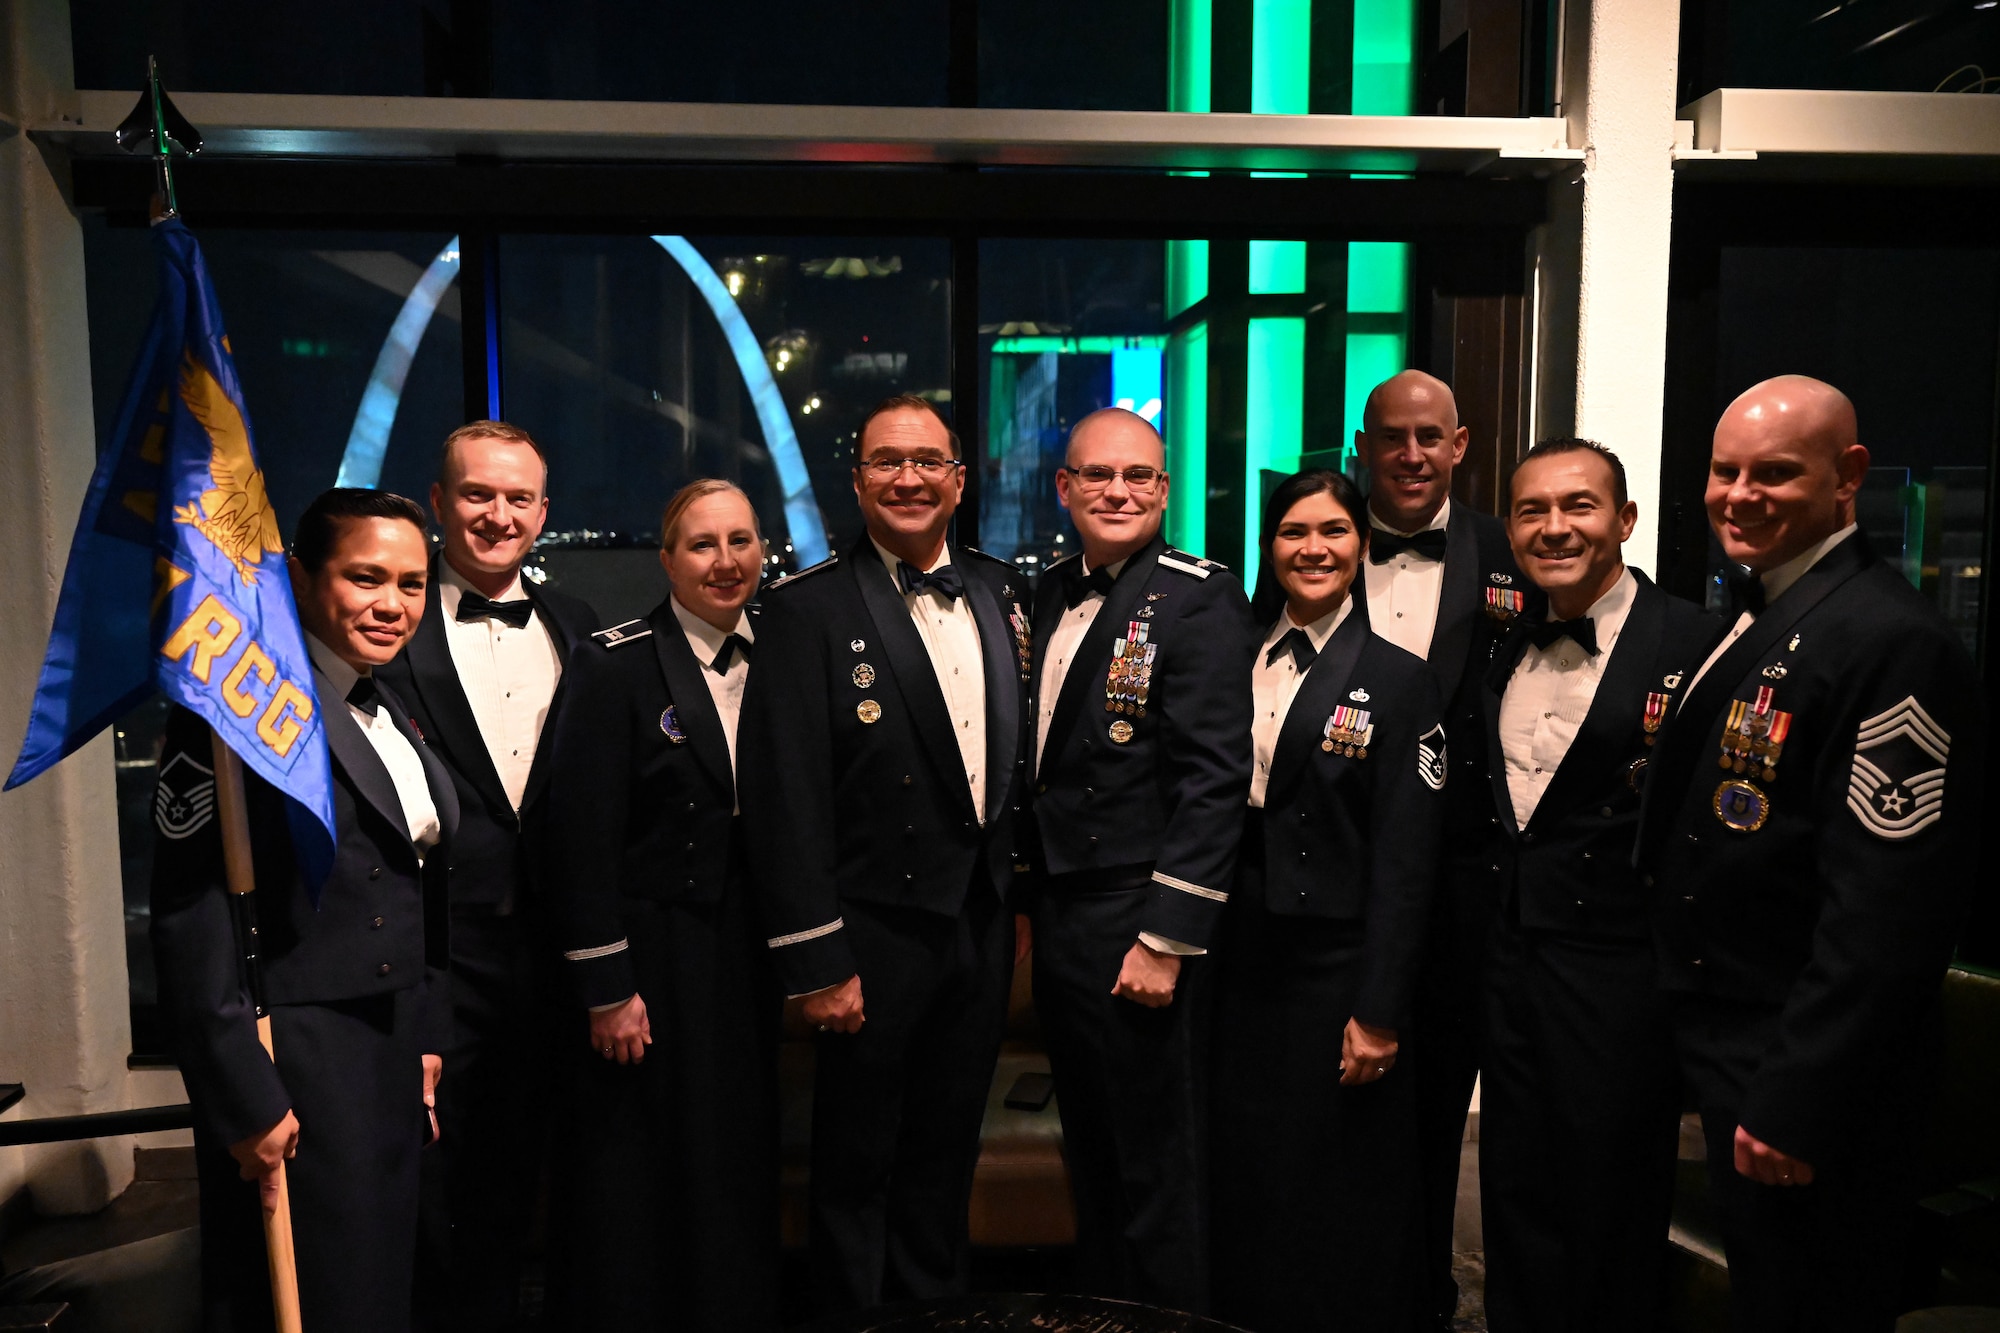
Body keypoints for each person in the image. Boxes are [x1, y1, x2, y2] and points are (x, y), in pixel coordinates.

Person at [1637, 376, 1985, 1331]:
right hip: (1737, 1041)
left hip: (1804, 1074)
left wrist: (1800, 1095)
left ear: (1850, 478)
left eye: (1775, 474)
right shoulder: (1774, 607)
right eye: (1725, 471)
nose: (1740, 495)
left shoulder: (1891, 640)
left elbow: (1889, 909)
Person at [737, 394, 1031, 1313]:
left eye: (927, 461)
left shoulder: (997, 589)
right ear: (857, 478)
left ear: (958, 478)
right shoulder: (802, 607)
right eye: (886, 462)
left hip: (977, 928)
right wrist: (818, 960)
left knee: (946, 1153)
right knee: (857, 1165)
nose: (908, 478)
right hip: (868, 934)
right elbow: (784, 798)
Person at [150, 488, 455, 1332]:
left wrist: (423, 1035)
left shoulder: (387, 701)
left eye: (412, 583)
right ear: (301, 574)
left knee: (378, 1290)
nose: (392, 604)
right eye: (366, 577)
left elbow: (414, 883)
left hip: (387, 1055)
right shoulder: (232, 716)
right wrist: (244, 1096)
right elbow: (188, 915)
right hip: (297, 1058)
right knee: (313, 1296)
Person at [1476, 440, 1716, 1332]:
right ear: (1510, 528)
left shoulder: (1696, 642)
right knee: (1514, 1187)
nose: (1554, 526)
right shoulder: (1502, 643)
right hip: (1510, 962)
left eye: (1577, 505)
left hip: (1622, 975)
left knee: (1610, 1201)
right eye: (1532, 510)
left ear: (1625, 520)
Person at [1027, 407, 1256, 1314]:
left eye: (1139, 478)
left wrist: (1166, 937)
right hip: (1059, 915)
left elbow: (1215, 779)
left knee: (1158, 1164)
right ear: (1065, 488)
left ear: (1164, 491)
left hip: (1138, 921)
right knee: (1095, 1152)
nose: (1118, 492)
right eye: (1098, 475)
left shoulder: (1199, 597)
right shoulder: (1046, 592)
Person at [1209, 468, 1445, 1333]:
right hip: (1237, 954)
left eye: (1335, 531)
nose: (1313, 548)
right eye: (1294, 532)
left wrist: (1379, 1009)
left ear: (1363, 545)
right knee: (1250, 1166)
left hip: (1336, 966)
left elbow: (1408, 861)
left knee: (1339, 1176)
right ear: (1268, 548)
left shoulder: (1397, 676)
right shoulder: (1233, 654)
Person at [541, 479, 780, 1329]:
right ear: (667, 559)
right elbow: (578, 834)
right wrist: (608, 985)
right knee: (645, 1168)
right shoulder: (618, 663)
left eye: (741, 541)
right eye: (703, 544)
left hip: (750, 950)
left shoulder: (788, 647)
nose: (726, 562)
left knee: (734, 1160)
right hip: (655, 951)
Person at [375, 421, 597, 1331]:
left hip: (558, 959)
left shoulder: (580, 627)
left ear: (543, 512)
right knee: (438, 1198)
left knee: (549, 1187)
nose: (496, 514)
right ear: (438, 503)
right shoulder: (388, 628)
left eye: (517, 498)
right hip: (438, 963)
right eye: (477, 494)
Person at [1352, 369, 1537, 1325]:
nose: (1413, 455)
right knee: (1352, 1113)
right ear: (1364, 446)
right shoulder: (1321, 541)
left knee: (1445, 1110)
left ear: (1460, 446)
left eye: (1432, 437)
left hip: (1470, 887)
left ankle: (1431, 1300)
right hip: (1341, 886)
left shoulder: (1518, 553)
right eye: (1394, 437)